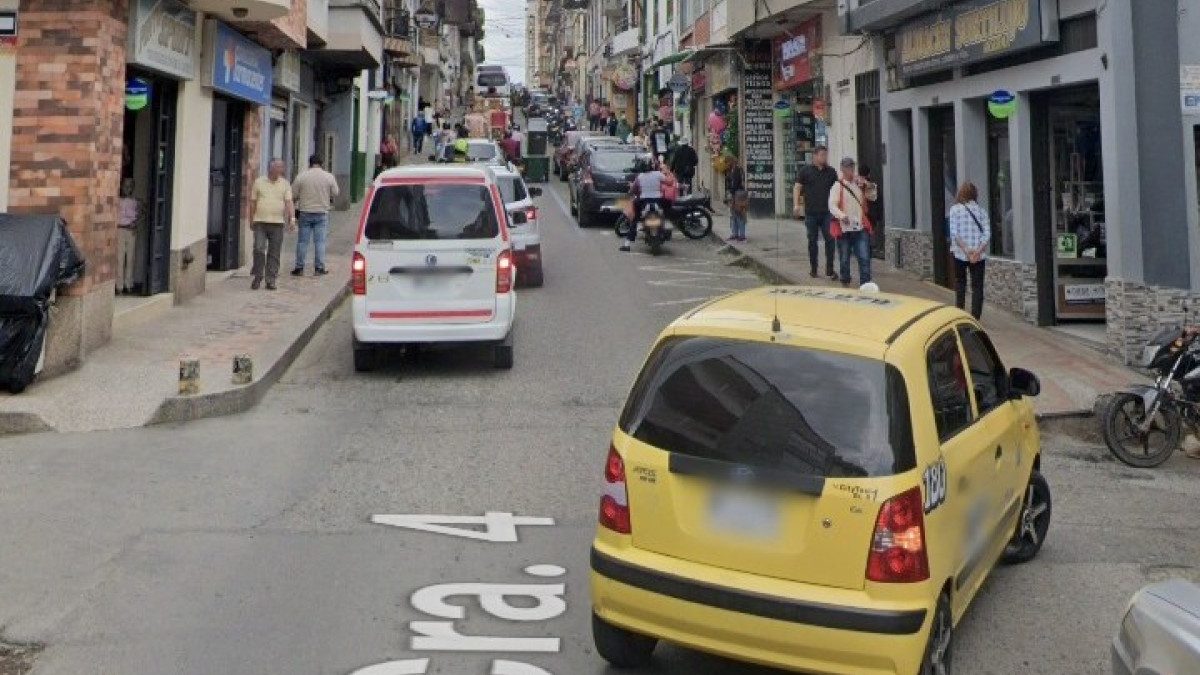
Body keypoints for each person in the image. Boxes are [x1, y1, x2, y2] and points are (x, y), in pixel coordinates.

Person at [828, 156, 877, 288]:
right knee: (844, 258)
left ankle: (865, 283)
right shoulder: (837, 186)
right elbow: (832, 205)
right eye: (848, 167)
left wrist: (867, 185)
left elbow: (873, 196)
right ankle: (845, 281)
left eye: (852, 167)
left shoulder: (859, 183)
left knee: (864, 256)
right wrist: (841, 215)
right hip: (844, 228)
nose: (851, 170)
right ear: (842, 169)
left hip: (860, 227)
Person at [290, 154, 340, 277]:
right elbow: (336, 192)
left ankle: (299, 267)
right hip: (322, 212)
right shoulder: (328, 177)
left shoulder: (302, 177)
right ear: (321, 163)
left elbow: (293, 194)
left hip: (305, 212)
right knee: (320, 242)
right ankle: (319, 268)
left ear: (310, 163)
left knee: (302, 242)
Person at [249, 158, 294, 291]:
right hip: (260, 221)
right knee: (258, 249)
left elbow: (289, 202)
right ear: (271, 168)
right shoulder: (259, 182)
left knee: (274, 253)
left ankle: (271, 279)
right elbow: (253, 202)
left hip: (277, 222)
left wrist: (292, 218)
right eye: (278, 167)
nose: (281, 170)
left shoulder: (285, 184)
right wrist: (251, 219)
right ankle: (258, 275)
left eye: (282, 167)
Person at [794, 146, 839, 279]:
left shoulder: (831, 172)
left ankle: (830, 269)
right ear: (815, 156)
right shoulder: (805, 171)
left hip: (827, 212)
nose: (824, 158)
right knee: (812, 241)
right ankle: (813, 268)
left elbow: (837, 190)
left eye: (826, 155)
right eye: (822, 155)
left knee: (830, 240)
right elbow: (797, 187)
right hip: (811, 212)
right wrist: (796, 205)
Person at [948, 181, 991, 319]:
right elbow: (987, 233)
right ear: (975, 194)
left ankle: (959, 313)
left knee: (960, 283)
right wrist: (977, 252)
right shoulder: (981, 211)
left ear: (961, 194)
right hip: (979, 255)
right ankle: (975, 317)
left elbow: (954, 233)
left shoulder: (955, 210)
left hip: (960, 253)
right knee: (977, 287)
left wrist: (966, 251)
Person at [622, 156, 674, 252]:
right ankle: (667, 221)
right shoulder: (658, 174)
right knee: (668, 207)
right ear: (651, 166)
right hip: (657, 201)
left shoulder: (640, 177)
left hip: (643, 202)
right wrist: (668, 174)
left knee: (634, 220)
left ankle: (627, 244)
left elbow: (633, 190)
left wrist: (631, 192)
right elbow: (670, 182)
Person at [116, 177, 142, 295]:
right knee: (119, 258)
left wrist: (136, 223)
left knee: (130, 258)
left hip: (130, 230)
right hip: (120, 229)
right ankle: (119, 285)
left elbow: (142, 214)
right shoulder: (118, 201)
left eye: (130, 186)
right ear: (121, 187)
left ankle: (129, 284)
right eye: (125, 186)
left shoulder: (136, 201)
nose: (127, 189)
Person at [725, 157, 747, 242]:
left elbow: (736, 184)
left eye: (727, 163)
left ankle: (741, 235)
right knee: (734, 216)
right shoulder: (733, 170)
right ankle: (735, 234)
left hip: (738, 195)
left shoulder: (737, 170)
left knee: (739, 215)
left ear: (731, 162)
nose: (727, 165)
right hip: (736, 194)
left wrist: (731, 195)